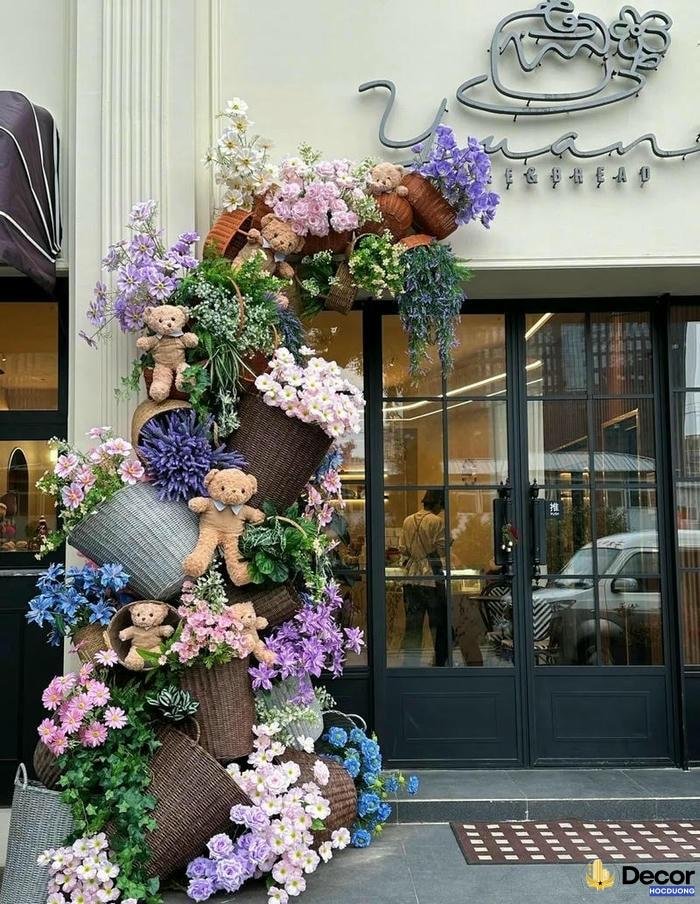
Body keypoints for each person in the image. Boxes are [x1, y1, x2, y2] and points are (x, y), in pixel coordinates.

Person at [400, 490, 448, 666]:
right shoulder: (437, 521)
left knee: (413, 626)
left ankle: (411, 663)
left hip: (411, 578)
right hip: (431, 578)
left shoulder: (407, 520)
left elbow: (403, 549)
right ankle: (440, 662)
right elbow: (442, 549)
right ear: (437, 504)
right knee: (438, 624)